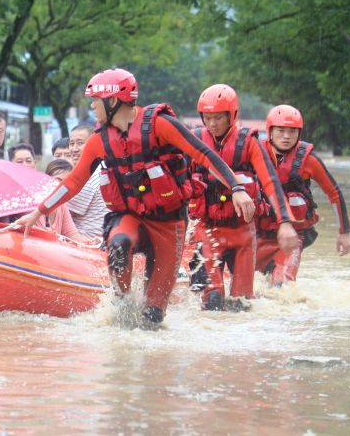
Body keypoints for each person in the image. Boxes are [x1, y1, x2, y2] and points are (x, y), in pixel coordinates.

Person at [18, 68, 259, 330]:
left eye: (95, 100)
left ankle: (148, 322)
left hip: (169, 223)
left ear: (112, 101)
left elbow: (203, 154)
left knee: (153, 319)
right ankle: (122, 304)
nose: (92, 105)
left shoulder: (160, 125)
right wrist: (37, 212)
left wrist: (236, 187)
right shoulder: (100, 140)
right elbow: (73, 182)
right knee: (119, 245)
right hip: (130, 216)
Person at [187, 84, 296, 311]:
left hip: (243, 233)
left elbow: (270, 183)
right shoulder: (193, 140)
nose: (212, 124)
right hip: (206, 231)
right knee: (212, 301)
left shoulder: (249, 143)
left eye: (218, 118)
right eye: (207, 118)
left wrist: (285, 222)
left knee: (242, 306)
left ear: (232, 116)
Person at [256, 104, 350, 285]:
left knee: (281, 286)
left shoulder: (309, 159)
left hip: (293, 236)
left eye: (292, 131)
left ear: (299, 133)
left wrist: (344, 232)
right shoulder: (255, 152)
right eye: (281, 130)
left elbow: (334, 193)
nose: (286, 136)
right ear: (269, 131)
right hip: (258, 233)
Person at [63, 122, 108, 238]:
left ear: (95, 144)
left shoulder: (90, 175)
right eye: (71, 143)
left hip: (89, 245)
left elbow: (58, 209)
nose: (74, 149)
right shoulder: (100, 167)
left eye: (80, 143)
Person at [40, 159, 93, 244]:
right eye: (57, 180)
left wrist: (92, 243)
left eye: (66, 182)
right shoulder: (34, 206)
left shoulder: (62, 205)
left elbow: (73, 235)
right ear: (46, 179)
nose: (62, 186)